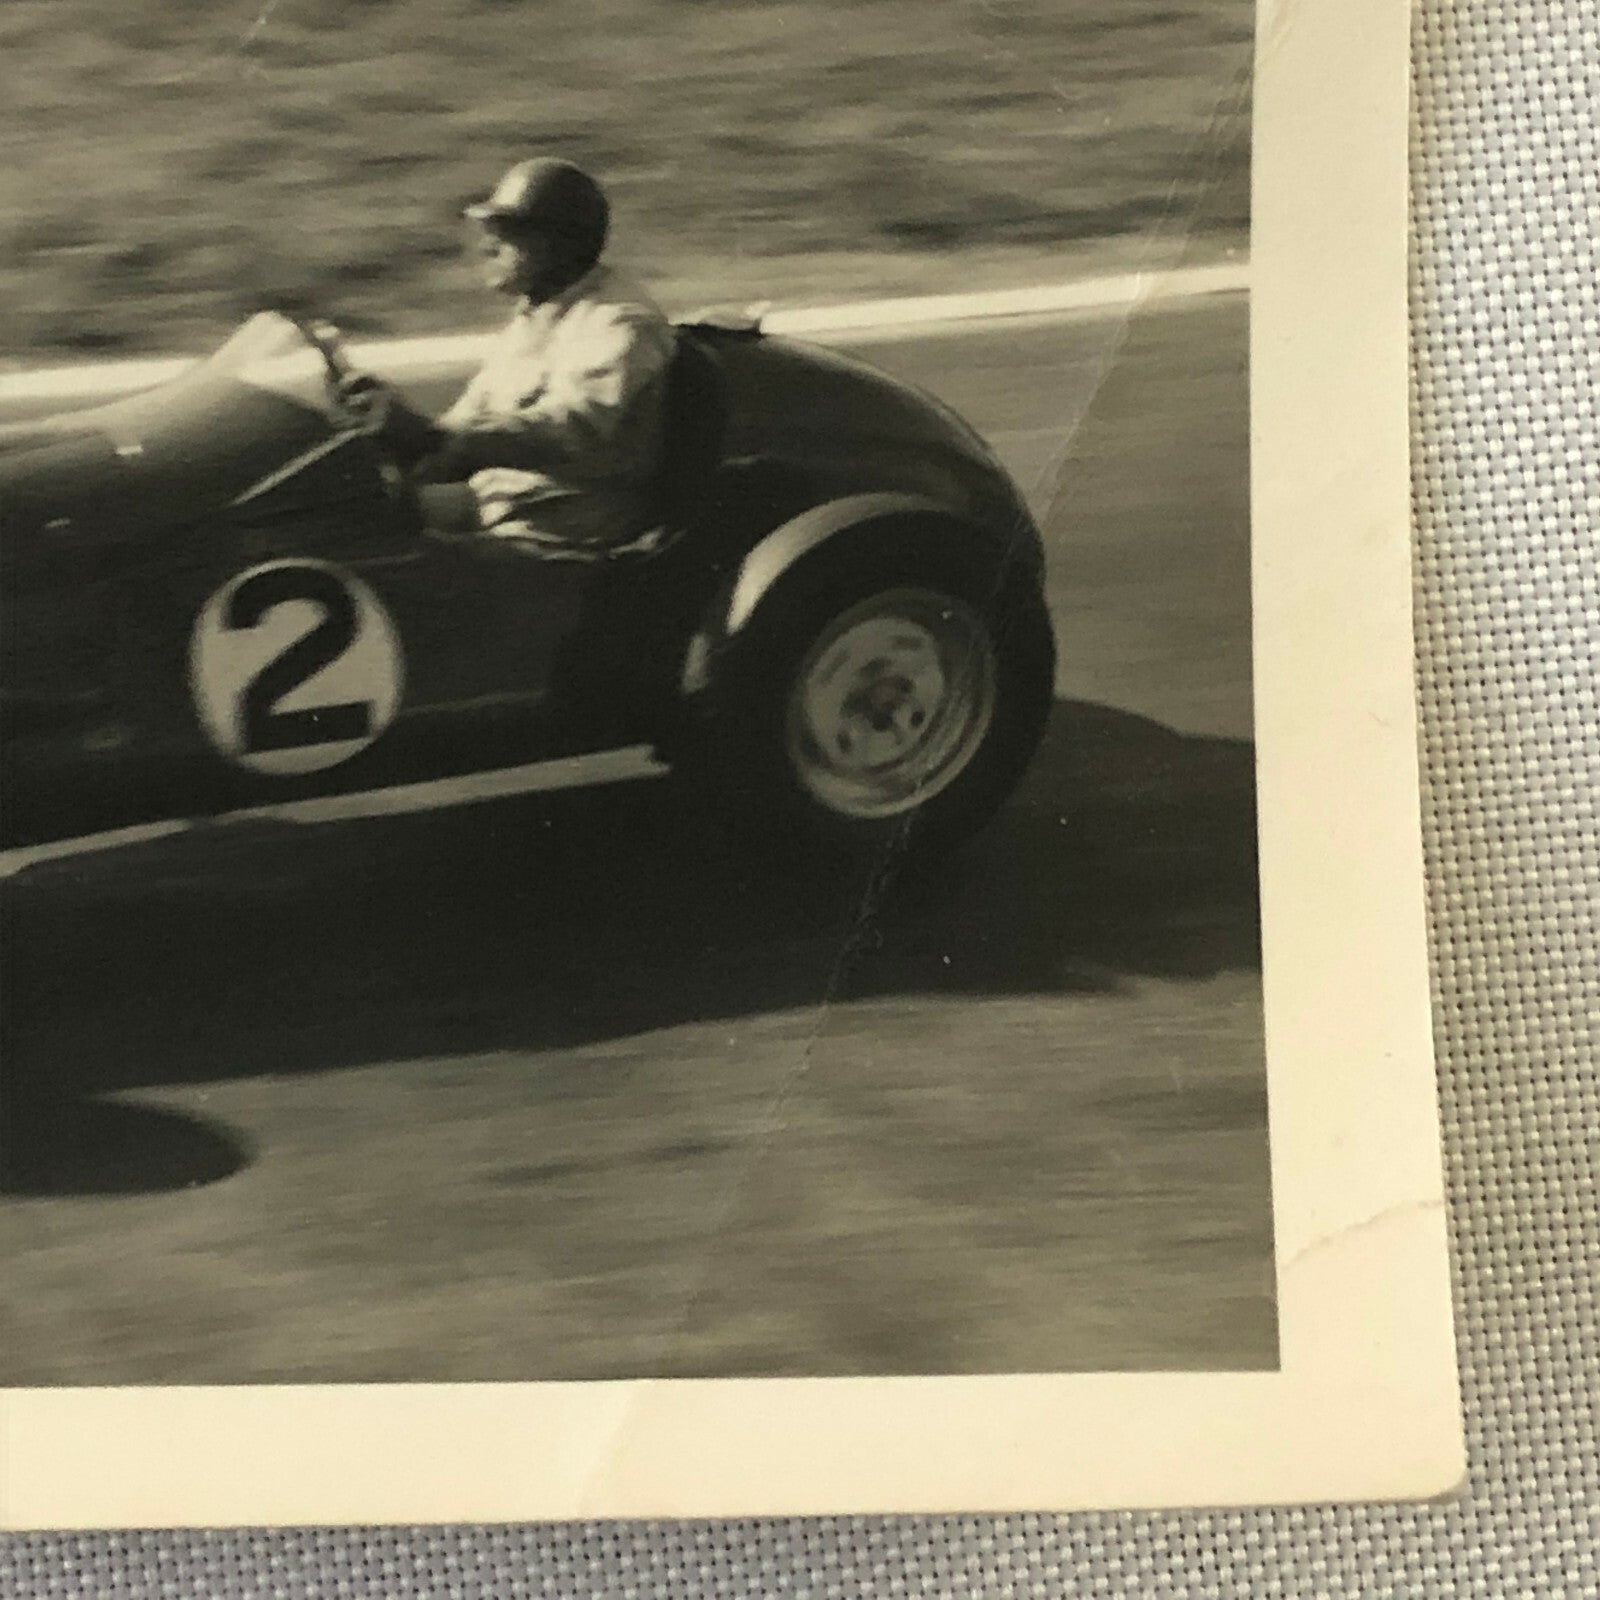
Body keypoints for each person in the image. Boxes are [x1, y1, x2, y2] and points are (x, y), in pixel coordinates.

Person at [399, 158, 677, 558]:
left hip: (565, 529)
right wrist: (396, 444)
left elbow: (574, 427)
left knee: (399, 565)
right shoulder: (538, 312)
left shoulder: (619, 324)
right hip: (501, 503)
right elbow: (469, 419)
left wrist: (440, 438)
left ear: (557, 243)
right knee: (357, 518)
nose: (486, 247)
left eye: (507, 234)